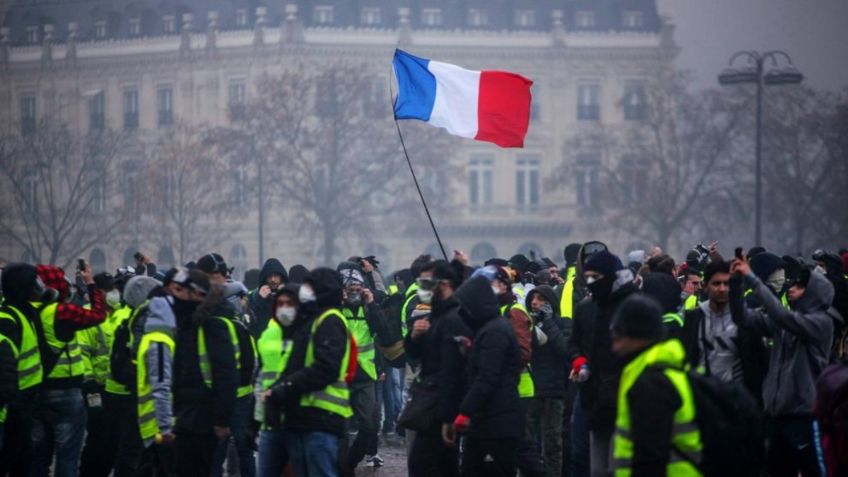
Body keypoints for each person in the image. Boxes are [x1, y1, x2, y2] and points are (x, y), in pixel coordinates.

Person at [730, 259, 833, 477]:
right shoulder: (784, 324)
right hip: (776, 415)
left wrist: (753, 279)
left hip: (804, 417)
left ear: (814, 293)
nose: (792, 288)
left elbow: (783, 317)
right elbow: (743, 318)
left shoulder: (821, 323)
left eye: (799, 286)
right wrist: (737, 283)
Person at [264, 268, 352, 477]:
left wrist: (285, 388)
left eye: (309, 288)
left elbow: (325, 368)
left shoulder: (330, 319)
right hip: (304, 417)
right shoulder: (312, 320)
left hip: (321, 418)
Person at [609, 294, 702, 476]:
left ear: (636, 335)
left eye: (616, 333)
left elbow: (650, 458)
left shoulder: (650, 384)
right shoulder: (668, 370)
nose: (613, 345)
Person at [30, 264, 107, 477]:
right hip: (66, 391)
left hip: (35, 389)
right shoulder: (60, 312)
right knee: (67, 457)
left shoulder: (27, 310)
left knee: (38, 456)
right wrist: (91, 285)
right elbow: (99, 314)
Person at [566, 250, 637, 477]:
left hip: (622, 394)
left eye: (595, 277)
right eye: (587, 277)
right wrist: (578, 360)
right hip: (591, 393)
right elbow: (573, 342)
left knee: (619, 463)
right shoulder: (586, 308)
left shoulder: (630, 306)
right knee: (588, 459)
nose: (590, 282)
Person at [452, 274, 524, 477]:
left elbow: (487, 377)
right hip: (490, 419)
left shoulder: (494, 332)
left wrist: (465, 411)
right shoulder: (490, 328)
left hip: (497, 421)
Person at [171, 270, 239, 476]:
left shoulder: (212, 325)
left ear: (198, 294)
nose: (175, 297)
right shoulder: (184, 325)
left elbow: (225, 375)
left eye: (180, 291)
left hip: (203, 417)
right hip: (184, 415)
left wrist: (222, 420)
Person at [404, 260, 464, 477]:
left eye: (428, 283)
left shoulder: (454, 318)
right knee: (442, 466)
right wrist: (414, 337)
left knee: (424, 464)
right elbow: (418, 353)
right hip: (432, 404)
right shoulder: (435, 314)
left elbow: (452, 371)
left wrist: (449, 417)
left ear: (445, 285)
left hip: (440, 408)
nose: (423, 288)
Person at [0, 263, 48, 476]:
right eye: (33, 283)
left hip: (26, 404)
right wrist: (12, 401)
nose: (37, 288)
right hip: (12, 407)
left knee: (24, 461)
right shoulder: (8, 318)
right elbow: (6, 368)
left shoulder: (25, 312)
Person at [337, 265, 384, 475]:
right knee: (342, 429)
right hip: (342, 377)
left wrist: (371, 304)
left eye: (358, 288)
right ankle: (343, 469)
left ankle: (350, 461)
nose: (354, 292)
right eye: (350, 289)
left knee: (369, 426)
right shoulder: (338, 310)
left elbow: (383, 331)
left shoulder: (368, 309)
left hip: (365, 374)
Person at [525, 285, 571, 477]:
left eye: (541, 298)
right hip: (531, 391)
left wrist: (549, 322)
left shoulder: (563, 323)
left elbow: (565, 349)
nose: (535, 302)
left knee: (552, 443)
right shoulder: (525, 325)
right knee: (529, 443)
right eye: (533, 298)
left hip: (554, 391)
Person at [255, 284, 299, 477]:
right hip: (269, 421)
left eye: (289, 303)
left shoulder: (308, 332)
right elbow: (260, 378)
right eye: (280, 303)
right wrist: (255, 420)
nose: (284, 308)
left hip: (298, 422)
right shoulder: (268, 334)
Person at [248, 258, 288, 339]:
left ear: (281, 277)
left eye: (276, 276)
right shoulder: (254, 296)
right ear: (265, 278)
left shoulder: (289, 295)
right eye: (270, 276)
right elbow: (251, 322)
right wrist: (260, 299)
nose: (273, 280)